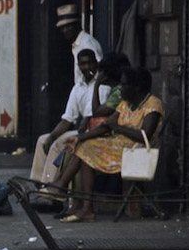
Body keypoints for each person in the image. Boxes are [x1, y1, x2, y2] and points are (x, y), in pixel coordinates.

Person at [49, 67, 164, 222]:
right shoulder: (125, 103)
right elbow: (107, 126)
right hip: (119, 147)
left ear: (136, 87)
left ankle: (69, 192)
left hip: (137, 151)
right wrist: (80, 137)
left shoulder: (153, 104)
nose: (120, 89)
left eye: (124, 85)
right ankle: (80, 203)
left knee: (86, 149)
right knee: (82, 146)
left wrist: (118, 128)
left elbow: (145, 136)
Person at [30, 50, 110, 184]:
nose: (87, 67)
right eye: (83, 64)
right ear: (79, 66)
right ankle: (38, 183)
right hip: (80, 128)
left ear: (96, 63)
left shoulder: (103, 85)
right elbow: (68, 119)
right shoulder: (78, 87)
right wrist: (52, 135)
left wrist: (58, 138)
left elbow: (92, 117)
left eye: (90, 63)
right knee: (43, 140)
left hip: (93, 130)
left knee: (58, 144)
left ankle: (50, 187)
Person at [56, 4, 103, 86]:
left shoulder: (87, 43)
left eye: (68, 26)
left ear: (77, 24)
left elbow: (99, 72)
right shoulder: (76, 45)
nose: (65, 30)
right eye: (62, 27)